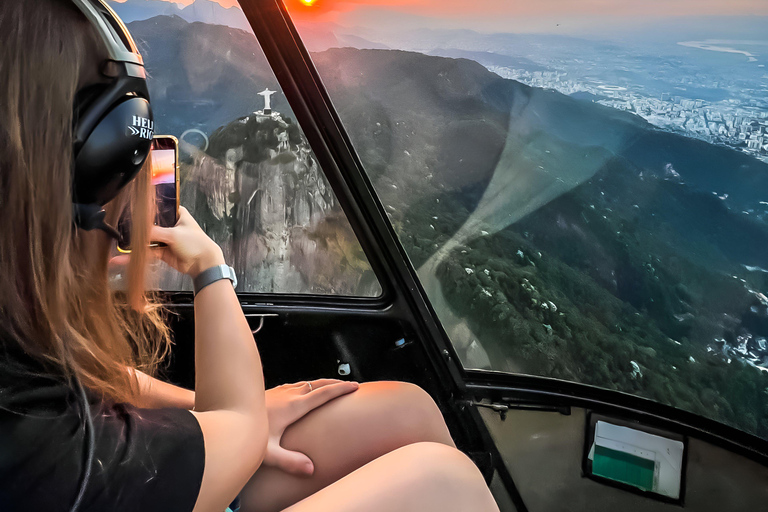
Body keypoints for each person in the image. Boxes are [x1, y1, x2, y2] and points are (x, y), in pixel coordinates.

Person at [0, 1, 501, 512]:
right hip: (122, 475)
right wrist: (209, 268)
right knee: (446, 481)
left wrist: (205, 409)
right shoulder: (28, 446)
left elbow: (78, 376)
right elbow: (232, 429)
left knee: (408, 410)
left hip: (129, 462)